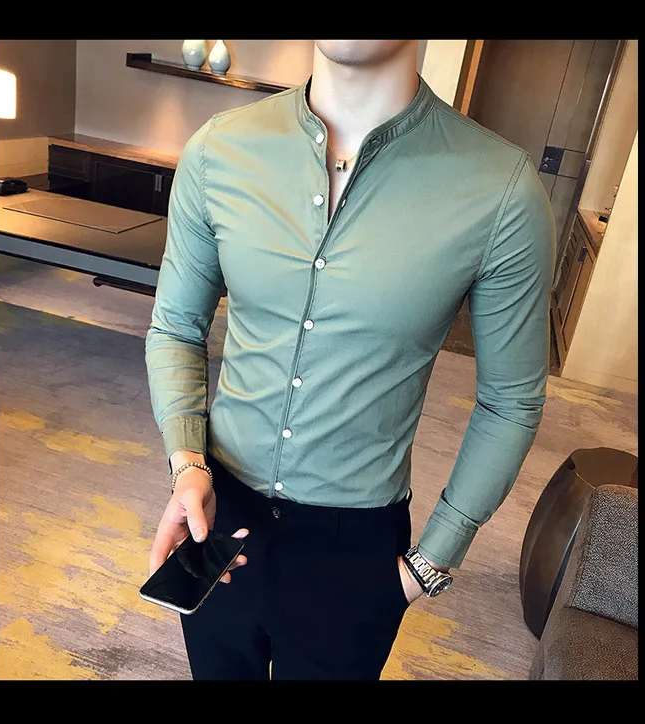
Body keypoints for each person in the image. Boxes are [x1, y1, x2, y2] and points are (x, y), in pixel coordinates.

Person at [145, 39, 556, 680]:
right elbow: (175, 326)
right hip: (216, 516)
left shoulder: (499, 189)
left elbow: (511, 400)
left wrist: (428, 564)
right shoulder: (218, 150)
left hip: (356, 548)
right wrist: (186, 464)